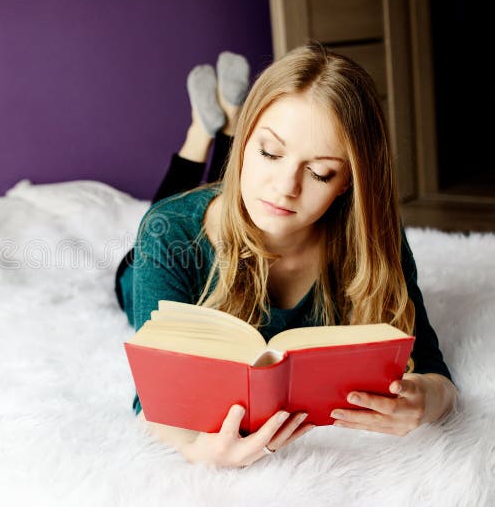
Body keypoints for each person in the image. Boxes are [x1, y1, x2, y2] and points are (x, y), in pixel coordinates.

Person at [114, 44, 458, 469]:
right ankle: (203, 135)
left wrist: (426, 399)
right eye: (269, 153)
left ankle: (220, 130)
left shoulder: (374, 239)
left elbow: (434, 370)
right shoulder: (167, 237)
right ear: (246, 142)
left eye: (320, 173)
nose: (285, 187)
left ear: (349, 182)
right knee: (164, 211)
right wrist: (196, 450)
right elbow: (150, 401)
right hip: (143, 264)